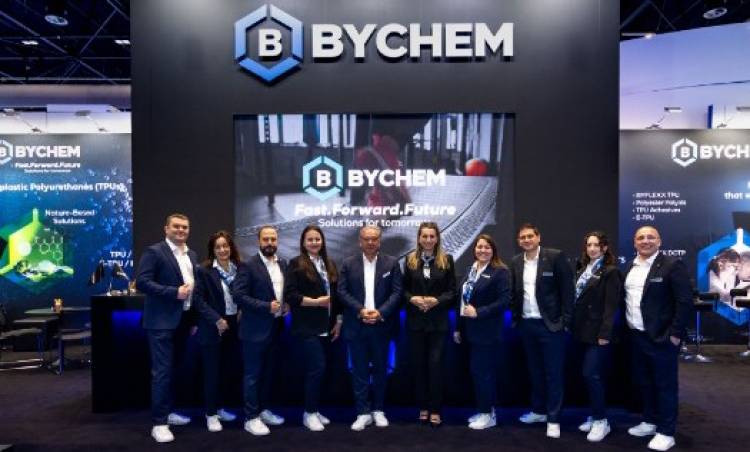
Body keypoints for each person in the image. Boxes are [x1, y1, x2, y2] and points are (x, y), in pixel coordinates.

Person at [623, 226, 692, 452]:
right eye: (640, 238)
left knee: (665, 385)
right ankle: (650, 421)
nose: (645, 241)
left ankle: (666, 432)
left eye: (650, 237)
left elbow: (684, 302)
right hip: (636, 335)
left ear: (659, 241)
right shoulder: (630, 267)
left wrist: (675, 334)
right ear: (634, 242)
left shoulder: (673, 265)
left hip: (662, 338)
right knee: (645, 382)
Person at [135, 213, 198, 443]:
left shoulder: (191, 254)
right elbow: (142, 282)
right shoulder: (154, 252)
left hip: (183, 321)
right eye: (176, 226)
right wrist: (174, 292)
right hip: (160, 323)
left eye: (185, 227)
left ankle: (168, 412)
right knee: (162, 372)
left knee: (173, 370)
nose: (181, 230)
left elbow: (193, 290)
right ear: (166, 229)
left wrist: (193, 320)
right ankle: (159, 423)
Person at [510, 223, 574, 439]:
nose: (526, 240)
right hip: (527, 325)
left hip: (551, 326)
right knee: (535, 371)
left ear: (538, 237)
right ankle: (539, 411)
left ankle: (553, 419)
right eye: (522, 237)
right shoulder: (516, 261)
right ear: (519, 241)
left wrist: (564, 321)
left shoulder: (555, 257)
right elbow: (515, 293)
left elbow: (568, 291)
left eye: (530, 236)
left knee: (553, 374)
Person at [338, 225, 403, 431]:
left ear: (379, 241)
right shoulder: (348, 263)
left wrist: (380, 313)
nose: (370, 242)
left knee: (381, 370)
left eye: (374, 238)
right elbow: (342, 292)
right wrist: (361, 311)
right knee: (359, 371)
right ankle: (362, 412)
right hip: (356, 325)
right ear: (360, 241)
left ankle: (378, 410)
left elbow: (397, 293)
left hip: (381, 326)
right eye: (366, 239)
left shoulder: (392, 263)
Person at [284, 224, 342, 431]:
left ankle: (315, 410)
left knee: (322, 370)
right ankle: (308, 414)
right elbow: (290, 296)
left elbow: (336, 297)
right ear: (303, 242)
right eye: (310, 239)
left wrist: (338, 321)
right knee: (316, 369)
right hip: (307, 327)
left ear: (322, 241)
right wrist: (316, 302)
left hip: (328, 326)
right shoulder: (295, 263)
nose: (314, 242)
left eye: (317, 239)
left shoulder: (329, 263)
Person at [232, 225, 288, 435]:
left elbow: (282, 291)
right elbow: (238, 295)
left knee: (268, 373)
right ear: (259, 241)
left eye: (273, 239)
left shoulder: (282, 263)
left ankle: (263, 410)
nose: (270, 243)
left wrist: (286, 303)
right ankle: (251, 417)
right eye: (266, 239)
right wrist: (266, 306)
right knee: (252, 375)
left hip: (276, 328)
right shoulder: (248, 265)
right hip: (253, 330)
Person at [454, 234, 510, 430]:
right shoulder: (471, 270)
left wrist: (479, 312)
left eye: (487, 247)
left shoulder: (500, 272)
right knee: (477, 373)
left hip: (487, 332)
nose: (482, 250)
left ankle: (488, 415)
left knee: (484, 373)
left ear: (493, 250)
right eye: (479, 247)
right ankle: (483, 410)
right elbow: (463, 301)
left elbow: (504, 302)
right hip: (470, 331)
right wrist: (458, 327)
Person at [402, 222, 456, 427]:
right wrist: (412, 299)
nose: (428, 240)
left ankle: (435, 409)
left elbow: (452, 291)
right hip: (416, 322)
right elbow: (402, 290)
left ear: (437, 238)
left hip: (438, 323)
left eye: (432, 236)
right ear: (418, 238)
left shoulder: (447, 260)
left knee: (435, 365)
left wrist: (436, 301)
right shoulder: (409, 260)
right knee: (419, 366)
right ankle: (423, 407)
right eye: (424, 236)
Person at [572, 231, 623, 442]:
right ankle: (595, 416)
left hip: (598, 333)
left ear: (604, 248)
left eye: (596, 245)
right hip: (582, 332)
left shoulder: (611, 272)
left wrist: (605, 333)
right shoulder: (583, 269)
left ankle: (602, 421)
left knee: (592, 375)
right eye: (589, 245)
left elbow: (611, 306)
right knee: (588, 376)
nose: (592, 248)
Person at [192, 230, 242, 432]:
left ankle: (219, 408)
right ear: (212, 250)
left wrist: (242, 309)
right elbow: (198, 300)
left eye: (225, 246)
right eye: (218, 247)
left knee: (225, 370)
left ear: (231, 247)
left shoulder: (238, 268)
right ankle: (210, 414)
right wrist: (217, 319)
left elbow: (243, 294)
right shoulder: (204, 270)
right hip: (212, 326)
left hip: (233, 325)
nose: (222, 250)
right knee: (211, 372)